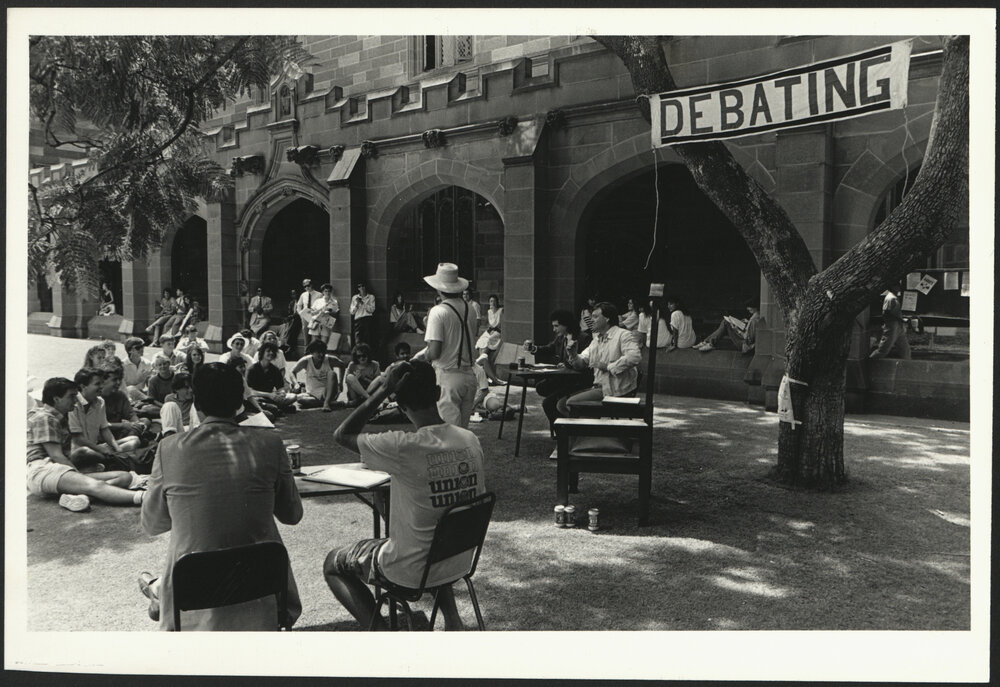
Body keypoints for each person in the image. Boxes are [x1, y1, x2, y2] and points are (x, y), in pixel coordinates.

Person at [323, 359, 486, 631]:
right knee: (433, 533)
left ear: (399, 403)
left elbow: (342, 434)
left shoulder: (402, 447)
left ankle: (382, 634)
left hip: (411, 569)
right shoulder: (469, 439)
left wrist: (383, 390)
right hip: (458, 559)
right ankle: (453, 621)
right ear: (437, 394)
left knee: (333, 562)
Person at [139, 362, 303, 630]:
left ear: (196, 402)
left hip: (194, 602)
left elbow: (152, 524)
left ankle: (158, 591)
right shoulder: (270, 443)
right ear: (240, 402)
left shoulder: (169, 449)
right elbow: (292, 515)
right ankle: (157, 590)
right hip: (263, 596)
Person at [27, 377, 147, 513]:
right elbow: (56, 456)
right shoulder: (45, 417)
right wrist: (80, 477)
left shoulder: (58, 418)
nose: (75, 400)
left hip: (57, 472)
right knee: (95, 485)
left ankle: (82, 497)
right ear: (56, 399)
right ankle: (145, 498)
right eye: (71, 396)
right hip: (42, 471)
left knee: (125, 477)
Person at [414, 263, 479, 429]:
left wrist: (422, 357)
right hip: (470, 377)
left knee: (448, 434)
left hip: (448, 378)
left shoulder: (438, 311)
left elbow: (435, 351)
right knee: (462, 433)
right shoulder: (470, 308)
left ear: (438, 289)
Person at [559, 301, 642, 416]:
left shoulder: (623, 335)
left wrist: (608, 367)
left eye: (595, 316)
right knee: (561, 403)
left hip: (615, 391)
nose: (591, 320)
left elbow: (634, 357)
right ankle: (583, 431)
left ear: (607, 319)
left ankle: (587, 431)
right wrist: (573, 354)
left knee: (571, 403)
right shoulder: (596, 340)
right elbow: (581, 363)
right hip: (599, 388)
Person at [523, 309, 595, 430]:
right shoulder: (561, 338)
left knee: (548, 403)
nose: (554, 329)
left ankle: (562, 430)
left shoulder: (584, 338)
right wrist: (533, 349)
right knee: (541, 387)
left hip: (579, 380)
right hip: (565, 378)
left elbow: (585, 361)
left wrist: (567, 364)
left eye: (556, 326)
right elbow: (550, 348)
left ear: (566, 324)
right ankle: (561, 417)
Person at [68, 368, 142, 466]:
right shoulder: (72, 404)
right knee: (89, 453)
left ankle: (114, 457)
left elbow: (104, 429)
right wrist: (101, 449)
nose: (101, 386)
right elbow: (78, 439)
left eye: (102, 383)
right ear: (83, 386)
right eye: (97, 384)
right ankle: (113, 459)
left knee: (134, 440)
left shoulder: (100, 402)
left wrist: (117, 448)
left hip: (95, 447)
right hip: (79, 452)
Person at [289, 339, 348, 412]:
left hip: (328, 392)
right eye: (318, 352)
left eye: (323, 352)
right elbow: (292, 372)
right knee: (300, 399)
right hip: (312, 394)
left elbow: (342, 365)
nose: (321, 355)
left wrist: (340, 383)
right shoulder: (306, 361)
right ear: (312, 353)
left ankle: (327, 402)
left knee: (332, 373)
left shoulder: (330, 360)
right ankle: (332, 404)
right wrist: (296, 384)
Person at [100, 361, 150, 443]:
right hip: (103, 435)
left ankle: (128, 441)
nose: (118, 383)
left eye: (119, 379)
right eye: (114, 380)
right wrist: (123, 425)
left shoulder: (120, 395)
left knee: (145, 421)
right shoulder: (96, 399)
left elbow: (130, 414)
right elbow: (100, 425)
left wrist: (136, 423)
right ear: (103, 380)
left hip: (120, 433)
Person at [246, 342, 297, 415]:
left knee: (293, 396)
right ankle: (277, 408)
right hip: (257, 397)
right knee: (259, 402)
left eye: (273, 351)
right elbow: (250, 392)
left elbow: (280, 387)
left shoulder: (275, 369)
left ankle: (275, 408)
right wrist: (269, 395)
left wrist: (282, 393)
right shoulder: (252, 369)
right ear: (262, 353)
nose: (271, 353)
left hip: (271, 397)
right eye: (268, 351)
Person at [695, 300, 761, 354]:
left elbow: (748, 339)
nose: (747, 309)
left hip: (745, 345)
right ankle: (708, 342)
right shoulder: (757, 315)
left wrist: (737, 330)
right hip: (746, 343)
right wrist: (746, 322)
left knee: (726, 322)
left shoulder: (754, 320)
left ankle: (709, 343)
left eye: (749, 307)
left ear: (755, 307)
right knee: (726, 322)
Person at [869, 287, 911, 360]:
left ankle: (908, 366)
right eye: (896, 286)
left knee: (905, 350)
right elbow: (887, 312)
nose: (899, 288)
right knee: (883, 350)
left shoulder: (894, 297)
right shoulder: (890, 298)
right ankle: (869, 362)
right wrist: (902, 319)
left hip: (898, 326)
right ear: (892, 288)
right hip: (891, 326)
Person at [474, 294, 504, 385]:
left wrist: (495, 331)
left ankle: (483, 360)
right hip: (491, 331)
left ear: (497, 302)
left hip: (498, 332)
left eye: (494, 301)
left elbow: (501, 325)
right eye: (491, 301)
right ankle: (483, 358)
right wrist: (489, 330)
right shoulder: (489, 311)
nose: (492, 303)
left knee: (489, 340)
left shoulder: (500, 311)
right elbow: (488, 324)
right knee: (481, 340)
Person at [343, 343, 382, 407]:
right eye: (359, 356)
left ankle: (364, 399)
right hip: (355, 394)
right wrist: (356, 379)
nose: (361, 358)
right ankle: (368, 399)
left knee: (380, 378)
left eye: (364, 356)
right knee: (350, 377)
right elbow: (347, 381)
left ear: (368, 355)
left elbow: (377, 383)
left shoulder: (375, 365)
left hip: (369, 390)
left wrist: (363, 378)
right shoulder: (352, 365)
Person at [288, 279, 319, 357]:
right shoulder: (303, 295)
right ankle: (306, 351)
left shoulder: (319, 295)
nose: (307, 288)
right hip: (305, 316)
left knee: (313, 333)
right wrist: (300, 313)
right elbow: (299, 305)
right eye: (305, 286)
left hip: (314, 316)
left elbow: (320, 305)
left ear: (312, 285)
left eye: (308, 285)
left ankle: (313, 352)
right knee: (305, 332)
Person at [308, 283, 341, 347]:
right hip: (316, 323)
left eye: (329, 291)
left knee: (324, 343)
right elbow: (311, 311)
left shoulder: (334, 302)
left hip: (326, 323)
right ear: (323, 292)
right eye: (326, 291)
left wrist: (330, 311)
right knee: (314, 343)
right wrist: (318, 311)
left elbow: (336, 313)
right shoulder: (318, 301)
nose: (327, 293)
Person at [122, 337, 154, 402]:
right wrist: (139, 380)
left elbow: (149, 385)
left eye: (142, 346)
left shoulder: (147, 363)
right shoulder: (122, 365)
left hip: (142, 394)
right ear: (130, 350)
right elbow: (123, 388)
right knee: (130, 389)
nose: (141, 349)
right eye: (138, 348)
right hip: (127, 396)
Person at [350, 282, 376, 346]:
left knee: (368, 339)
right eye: (359, 286)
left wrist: (363, 303)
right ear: (358, 288)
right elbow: (352, 312)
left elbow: (372, 310)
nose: (361, 288)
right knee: (358, 338)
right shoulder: (355, 297)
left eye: (363, 286)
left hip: (367, 319)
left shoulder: (371, 297)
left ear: (365, 287)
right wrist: (357, 304)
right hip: (358, 320)